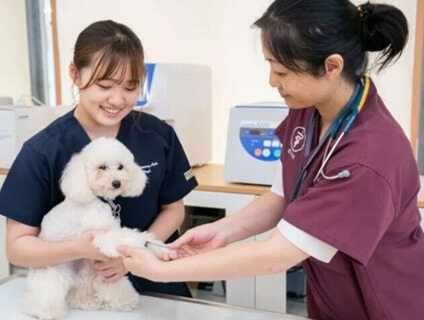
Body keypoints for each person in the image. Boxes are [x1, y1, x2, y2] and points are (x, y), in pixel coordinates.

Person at [117, 1, 424, 319]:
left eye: (281, 71)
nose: (272, 81)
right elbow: (281, 196)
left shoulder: (367, 160)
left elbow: (276, 256)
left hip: (384, 305)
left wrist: (161, 271)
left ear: (331, 67)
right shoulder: (308, 108)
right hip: (332, 301)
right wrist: (222, 231)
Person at [0, 20, 197, 297]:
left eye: (130, 88)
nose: (117, 100)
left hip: (157, 282)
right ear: (75, 74)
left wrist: (134, 255)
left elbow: (174, 209)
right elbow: (17, 247)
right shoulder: (42, 151)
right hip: (82, 294)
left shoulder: (158, 135)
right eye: (105, 85)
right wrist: (79, 249)